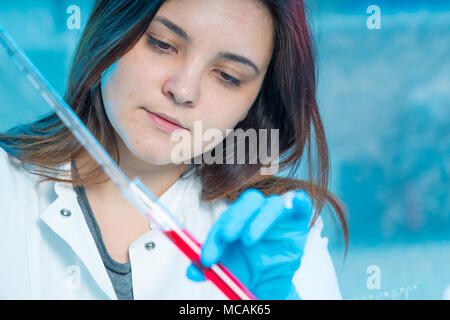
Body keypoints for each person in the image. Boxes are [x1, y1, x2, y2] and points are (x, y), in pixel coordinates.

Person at [0, 0, 348, 299]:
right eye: (163, 44)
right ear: (111, 29)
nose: (183, 90)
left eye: (227, 75)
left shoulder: (272, 236)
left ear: (255, 103)